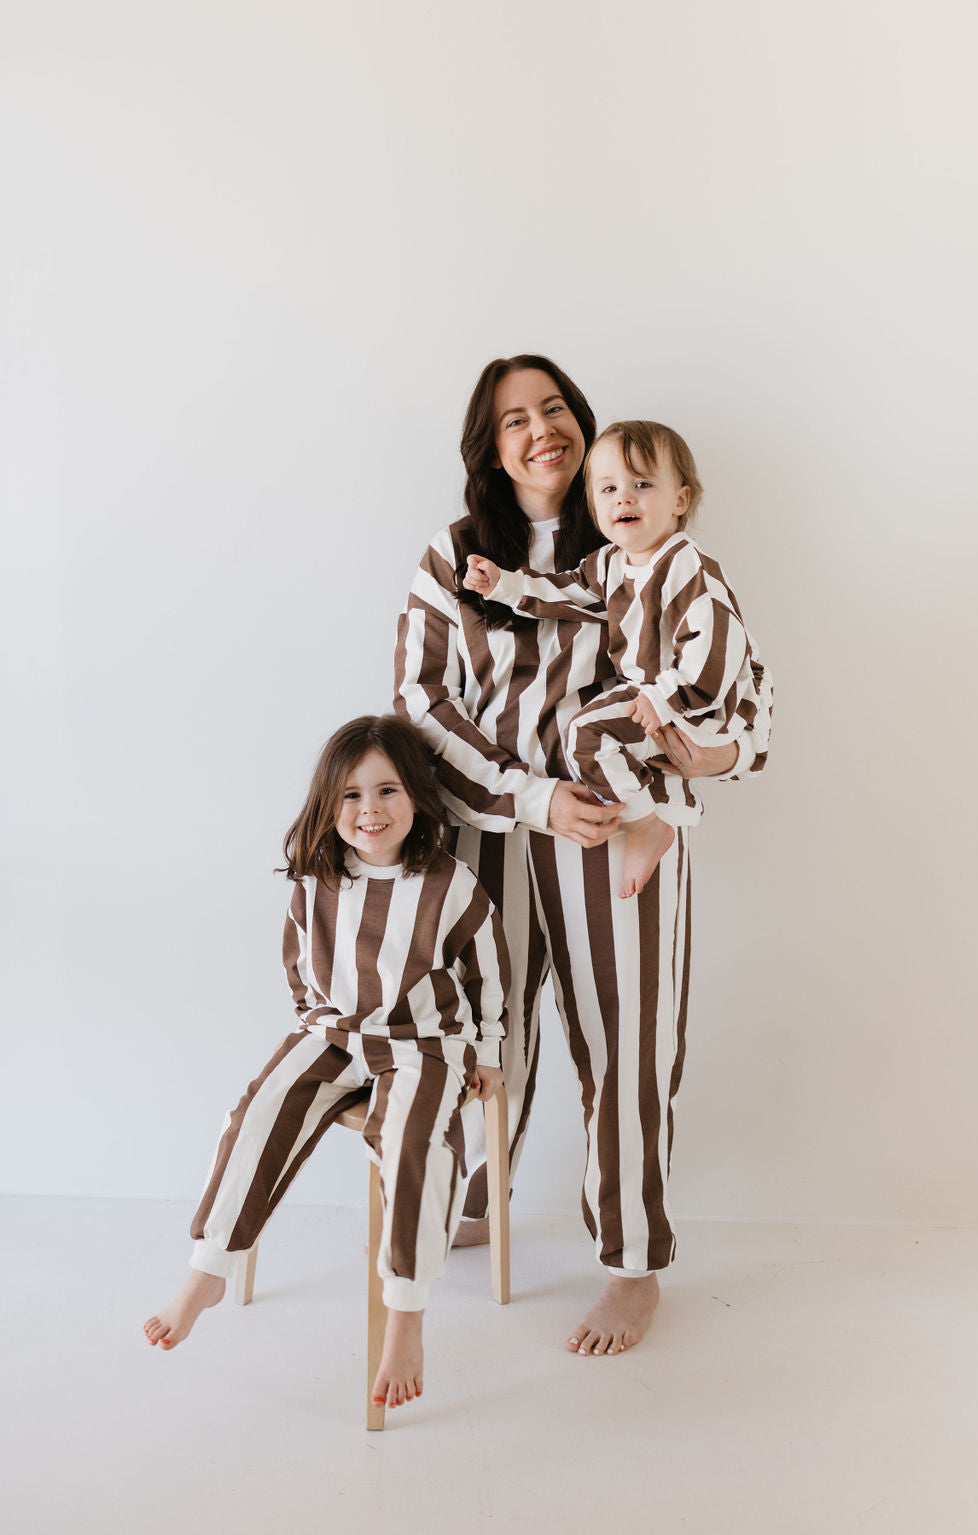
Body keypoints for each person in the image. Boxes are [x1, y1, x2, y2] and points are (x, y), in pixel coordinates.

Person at [395, 356, 772, 1358]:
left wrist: (710, 755)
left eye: (552, 407)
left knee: (626, 1044)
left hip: (619, 826)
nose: (539, 429)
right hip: (489, 826)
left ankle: (630, 1263)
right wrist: (528, 795)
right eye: (513, 418)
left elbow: (740, 695)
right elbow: (420, 703)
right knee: (484, 1033)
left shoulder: (645, 544)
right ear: (488, 444)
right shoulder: (453, 554)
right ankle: (476, 1197)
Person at [143, 715, 509, 1411]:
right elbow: (297, 964)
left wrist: (486, 1050)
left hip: (423, 1038)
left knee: (413, 1143)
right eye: (350, 795)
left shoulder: (450, 883)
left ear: (417, 799)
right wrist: (317, 1024)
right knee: (258, 1108)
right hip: (335, 1032)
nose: (369, 809)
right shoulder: (317, 880)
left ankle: (406, 1310)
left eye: (387, 790)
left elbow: (490, 973)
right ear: (327, 804)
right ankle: (210, 1265)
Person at [463, 419, 771, 899]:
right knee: (586, 736)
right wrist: (503, 584)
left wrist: (668, 698)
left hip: (698, 702)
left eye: (642, 485)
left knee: (586, 731)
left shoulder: (688, 564)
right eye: (608, 489)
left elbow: (719, 645)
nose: (623, 498)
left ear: (680, 501)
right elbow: (560, 593)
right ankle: (644, 814)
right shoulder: (611, 563)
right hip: (654, 696)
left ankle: (647, 825)